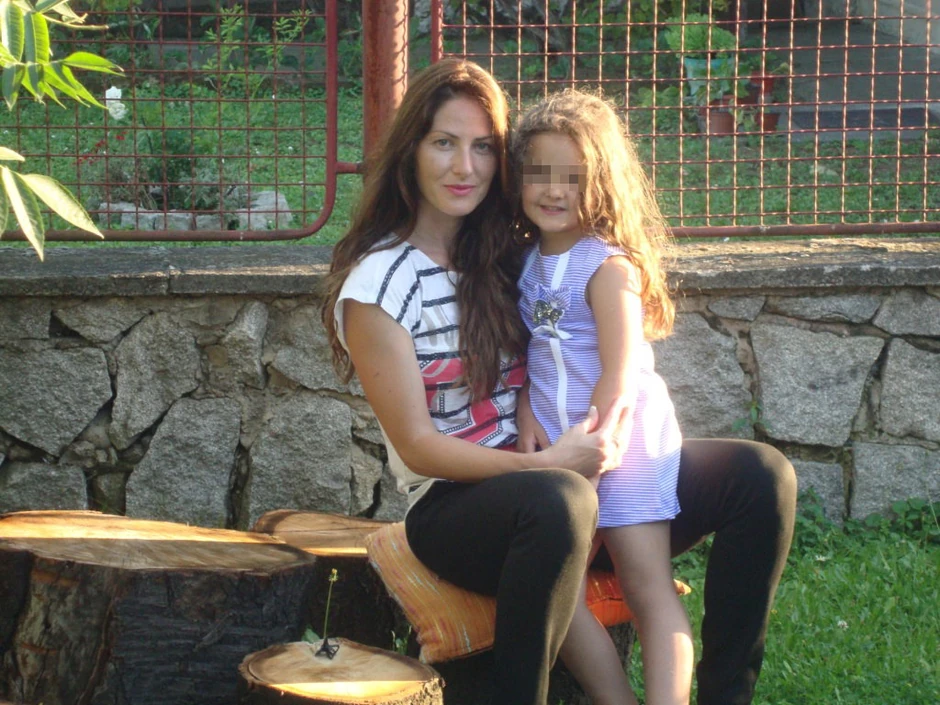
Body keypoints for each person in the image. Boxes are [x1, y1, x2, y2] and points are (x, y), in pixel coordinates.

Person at [321, 57, 797, 705]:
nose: (465, 167)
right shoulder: (379, 285)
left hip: (577, 470)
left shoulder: (507, 249)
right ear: (410, 151)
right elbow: (417, 446)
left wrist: (561, 442)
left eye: (483, 147)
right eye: (444, 143)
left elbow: (568, 354)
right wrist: (547, 464)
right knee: (557, 501)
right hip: (465, 506)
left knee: (760, 475)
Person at [513, 90, 689, 705]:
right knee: (553, 589)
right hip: (566, 450)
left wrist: (598, 448)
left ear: (602, 182)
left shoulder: (609, 267)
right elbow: (536, 354)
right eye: (539, 173)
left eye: (574, 177)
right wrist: (527, 408)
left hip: (623, 445)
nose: (553, 191)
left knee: (646, 586)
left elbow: (621, 375)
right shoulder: (527, 262)